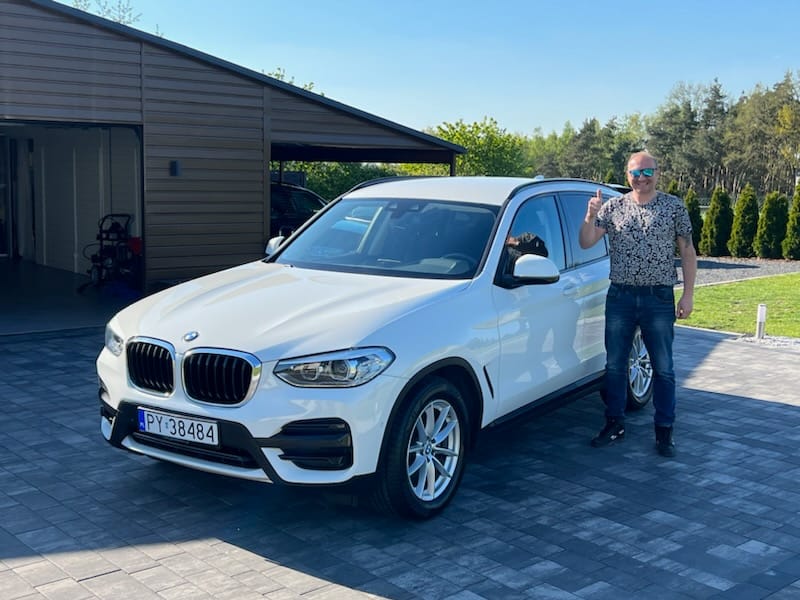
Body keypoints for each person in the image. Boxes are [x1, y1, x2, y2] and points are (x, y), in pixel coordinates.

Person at [579, 151, 697, 457]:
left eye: (647, 172)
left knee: (664, 367)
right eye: (635, 173)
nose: (641, 178)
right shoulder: (613, 207)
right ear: (627, 175)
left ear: (657, 173)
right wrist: (590, 215)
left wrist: (688, 294)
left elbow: (687, 251)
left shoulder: (673, 207)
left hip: (658, 297)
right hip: (621, 296)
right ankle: (614, 423)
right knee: (615, 365)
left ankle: (664, 431)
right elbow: (586, 242)